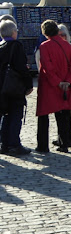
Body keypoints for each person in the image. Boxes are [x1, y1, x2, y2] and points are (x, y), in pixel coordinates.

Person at [34, 24, 71, 151]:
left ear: (45, 33)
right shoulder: (68, 46)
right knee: (64, 115)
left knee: (43, 116)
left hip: (49, 86)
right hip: (66, 86)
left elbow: (46, 67)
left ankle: (42, 145)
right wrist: (67, 81)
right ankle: (64, 143)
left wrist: (57, 82)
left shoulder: (44, 46)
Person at [0, 19, 34, 156]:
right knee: (15, 116)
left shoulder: (1, 46)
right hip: (14, 88)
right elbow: (21, 68)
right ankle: (14, 144)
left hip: (2, 88)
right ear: (13, 32)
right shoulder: (16, 46)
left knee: (6, 116)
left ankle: (4, 144)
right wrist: (29, 85)